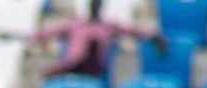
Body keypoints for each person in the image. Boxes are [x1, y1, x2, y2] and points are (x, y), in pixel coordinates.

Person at [31, 0, 167, 78]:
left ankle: (74, 64)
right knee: (75, 55)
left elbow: (134, 31)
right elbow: (47, 33)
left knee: (93, 44)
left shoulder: (108, 25)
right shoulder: (76, 24)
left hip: (93, 64)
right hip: (73, 62)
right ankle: (71, 66)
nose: (94, 7)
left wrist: (154, 35)